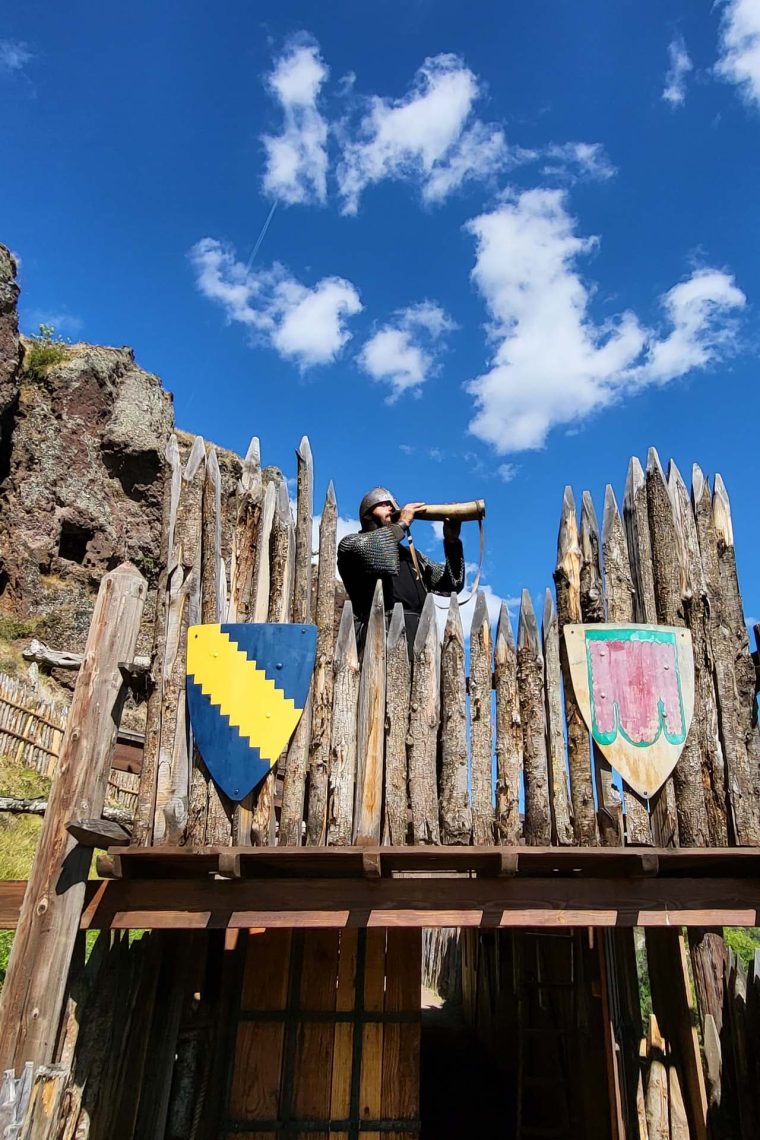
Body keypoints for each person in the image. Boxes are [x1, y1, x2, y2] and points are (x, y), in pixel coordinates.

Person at [337, 487, 465, 654]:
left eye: (392, 505)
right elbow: (380, 548)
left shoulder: (411, 555)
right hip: (379, 632)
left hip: (420, 633)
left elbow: (451, 583)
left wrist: (452, 541)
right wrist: (402, 523)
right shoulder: (352, 544)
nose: (391, 507)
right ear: (367, 514)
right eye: (383, 504)